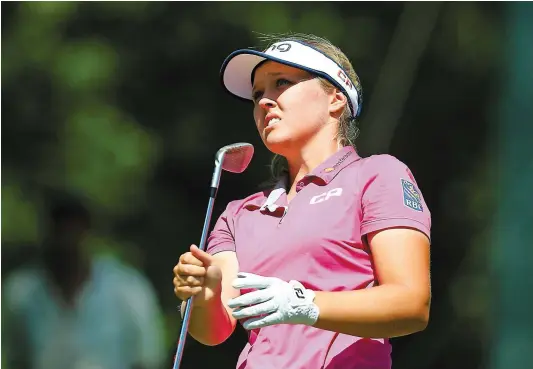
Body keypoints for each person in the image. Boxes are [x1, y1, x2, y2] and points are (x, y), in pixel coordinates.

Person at [172, 33, 431, 369]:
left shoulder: (378, 175)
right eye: (257, 94)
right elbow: (214, 331)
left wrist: (305, 304)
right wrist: (204, 293)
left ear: (336, 99)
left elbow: (412, 304)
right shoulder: (240, 213)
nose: (264, 101)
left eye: (281, 83)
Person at [3, 195, 166, 369]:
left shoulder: (127, 288)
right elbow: (13, 358)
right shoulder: (21, 292)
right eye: (60, 233)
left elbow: (148, 358)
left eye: (72, 233)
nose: (66, 243)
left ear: (86, 234)